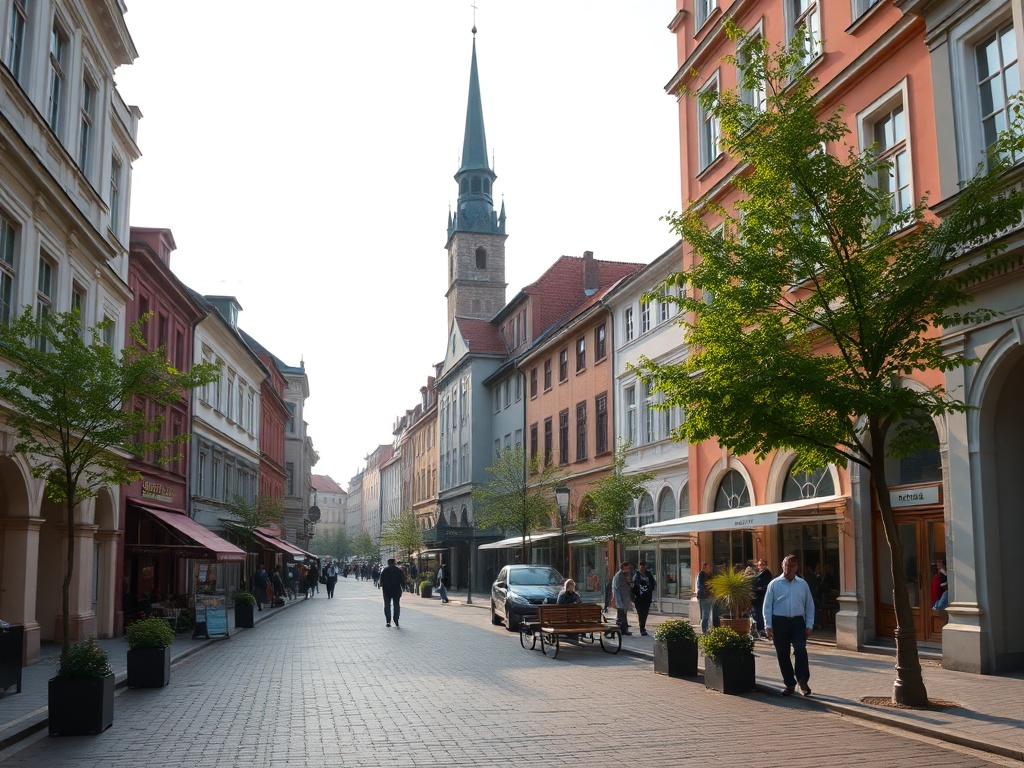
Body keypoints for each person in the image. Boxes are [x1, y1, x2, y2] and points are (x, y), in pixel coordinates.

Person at [764, 554, 815, 697]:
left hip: (798, 622)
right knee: (783, 654)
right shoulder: (774, 584)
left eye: (791, 565)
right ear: (782, 565)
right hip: (779, 622)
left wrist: (809, 625)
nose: (788, 568)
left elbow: (809, 606)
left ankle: (803, 680)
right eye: (785, 565)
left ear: (796, 567)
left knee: (800, 649)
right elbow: (767, 606)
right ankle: (790, 684)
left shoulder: (802, 584)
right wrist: (768, 626)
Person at [630, 561, 657, 636]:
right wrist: (634, 596)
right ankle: (642, 628)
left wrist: (651, 590)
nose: (642, 568)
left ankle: (643, 626)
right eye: (641, 566)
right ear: (639, 566)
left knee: (645, 613)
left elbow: (653, 584)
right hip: (639, 598)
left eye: (644, 566)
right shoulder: (636, 575)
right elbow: (633, 586)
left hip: (647, 597)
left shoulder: (649, 575)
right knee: (640, 613)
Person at [379, 558, 405, 627]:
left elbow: (381, 580)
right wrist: (403, 587)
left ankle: (388, 621)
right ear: (394, 563)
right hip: (396, 589)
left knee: (387, 605)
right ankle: (396, 620)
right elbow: (402, 580)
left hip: (386, 590)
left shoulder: (385, 570)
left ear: (388, 563)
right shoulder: (398, 570)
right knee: (396, 605)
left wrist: (381, 585)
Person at [751, 558, 773, 637]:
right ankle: (757, 630)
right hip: (755, 598)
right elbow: (752, 582)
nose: (760, 566)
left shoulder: (767, 574)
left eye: (762, 564)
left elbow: (762, 584)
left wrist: (757, 587)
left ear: (766, 565)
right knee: (755, 614)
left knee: (761, 614)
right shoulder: (757, 574)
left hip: (762, 597)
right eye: (759, 565)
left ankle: (762, 631)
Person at [695, 562, 719, 634]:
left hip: (711, 597)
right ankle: (704, 630)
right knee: (706, 614)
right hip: (704, 597)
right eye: (708, 567)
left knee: (711, 614)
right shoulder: (701, 575)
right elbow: (702, 586)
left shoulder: (710, 575)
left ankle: (709, 629)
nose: (710, 569)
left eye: (710, 567)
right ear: (704, 567)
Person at [611, 561, 634, 635]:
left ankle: (623, 630)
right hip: (621, 601)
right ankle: (622, 630)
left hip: (624, 600)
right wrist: (619, 602)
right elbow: (616, 590)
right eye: (627, 567)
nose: (629, 569)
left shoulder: (623, 575)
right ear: (624, 567)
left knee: (623, 616)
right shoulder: (619, 576)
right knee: (621, 617)